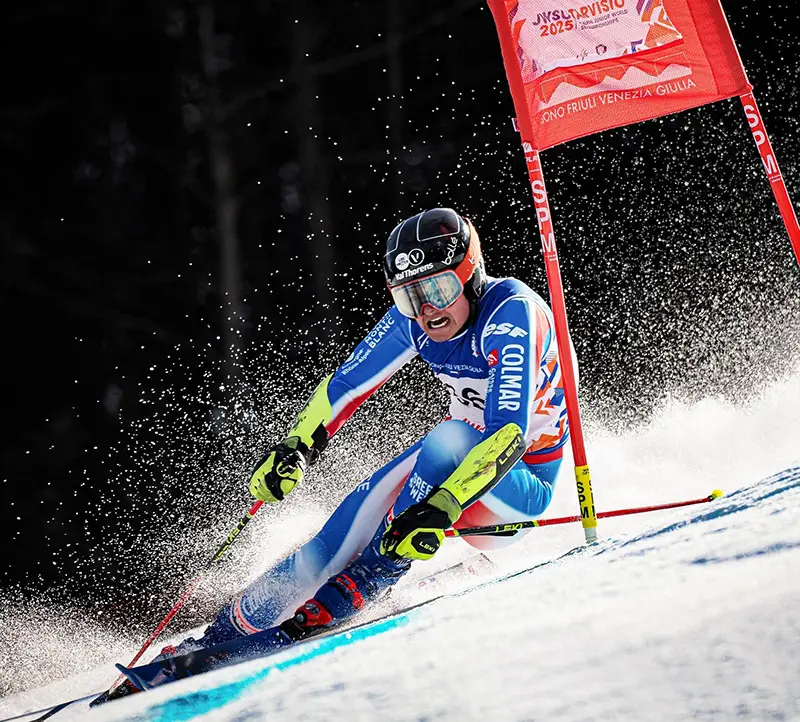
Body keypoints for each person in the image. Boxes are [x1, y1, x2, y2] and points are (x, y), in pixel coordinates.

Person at [182, 207, 570, 652]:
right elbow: (346, 385)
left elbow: (507, 435)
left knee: (451, 438)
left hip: (515, 496)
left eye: (440, 289)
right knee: (333, 539)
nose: (427, 310)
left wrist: (442, 504)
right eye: (410, 296)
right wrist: (296, 447)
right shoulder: (414, 322)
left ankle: (375, 572)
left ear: (471, 276)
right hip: (451, 476)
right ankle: (222, 633)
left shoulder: (511, 314)